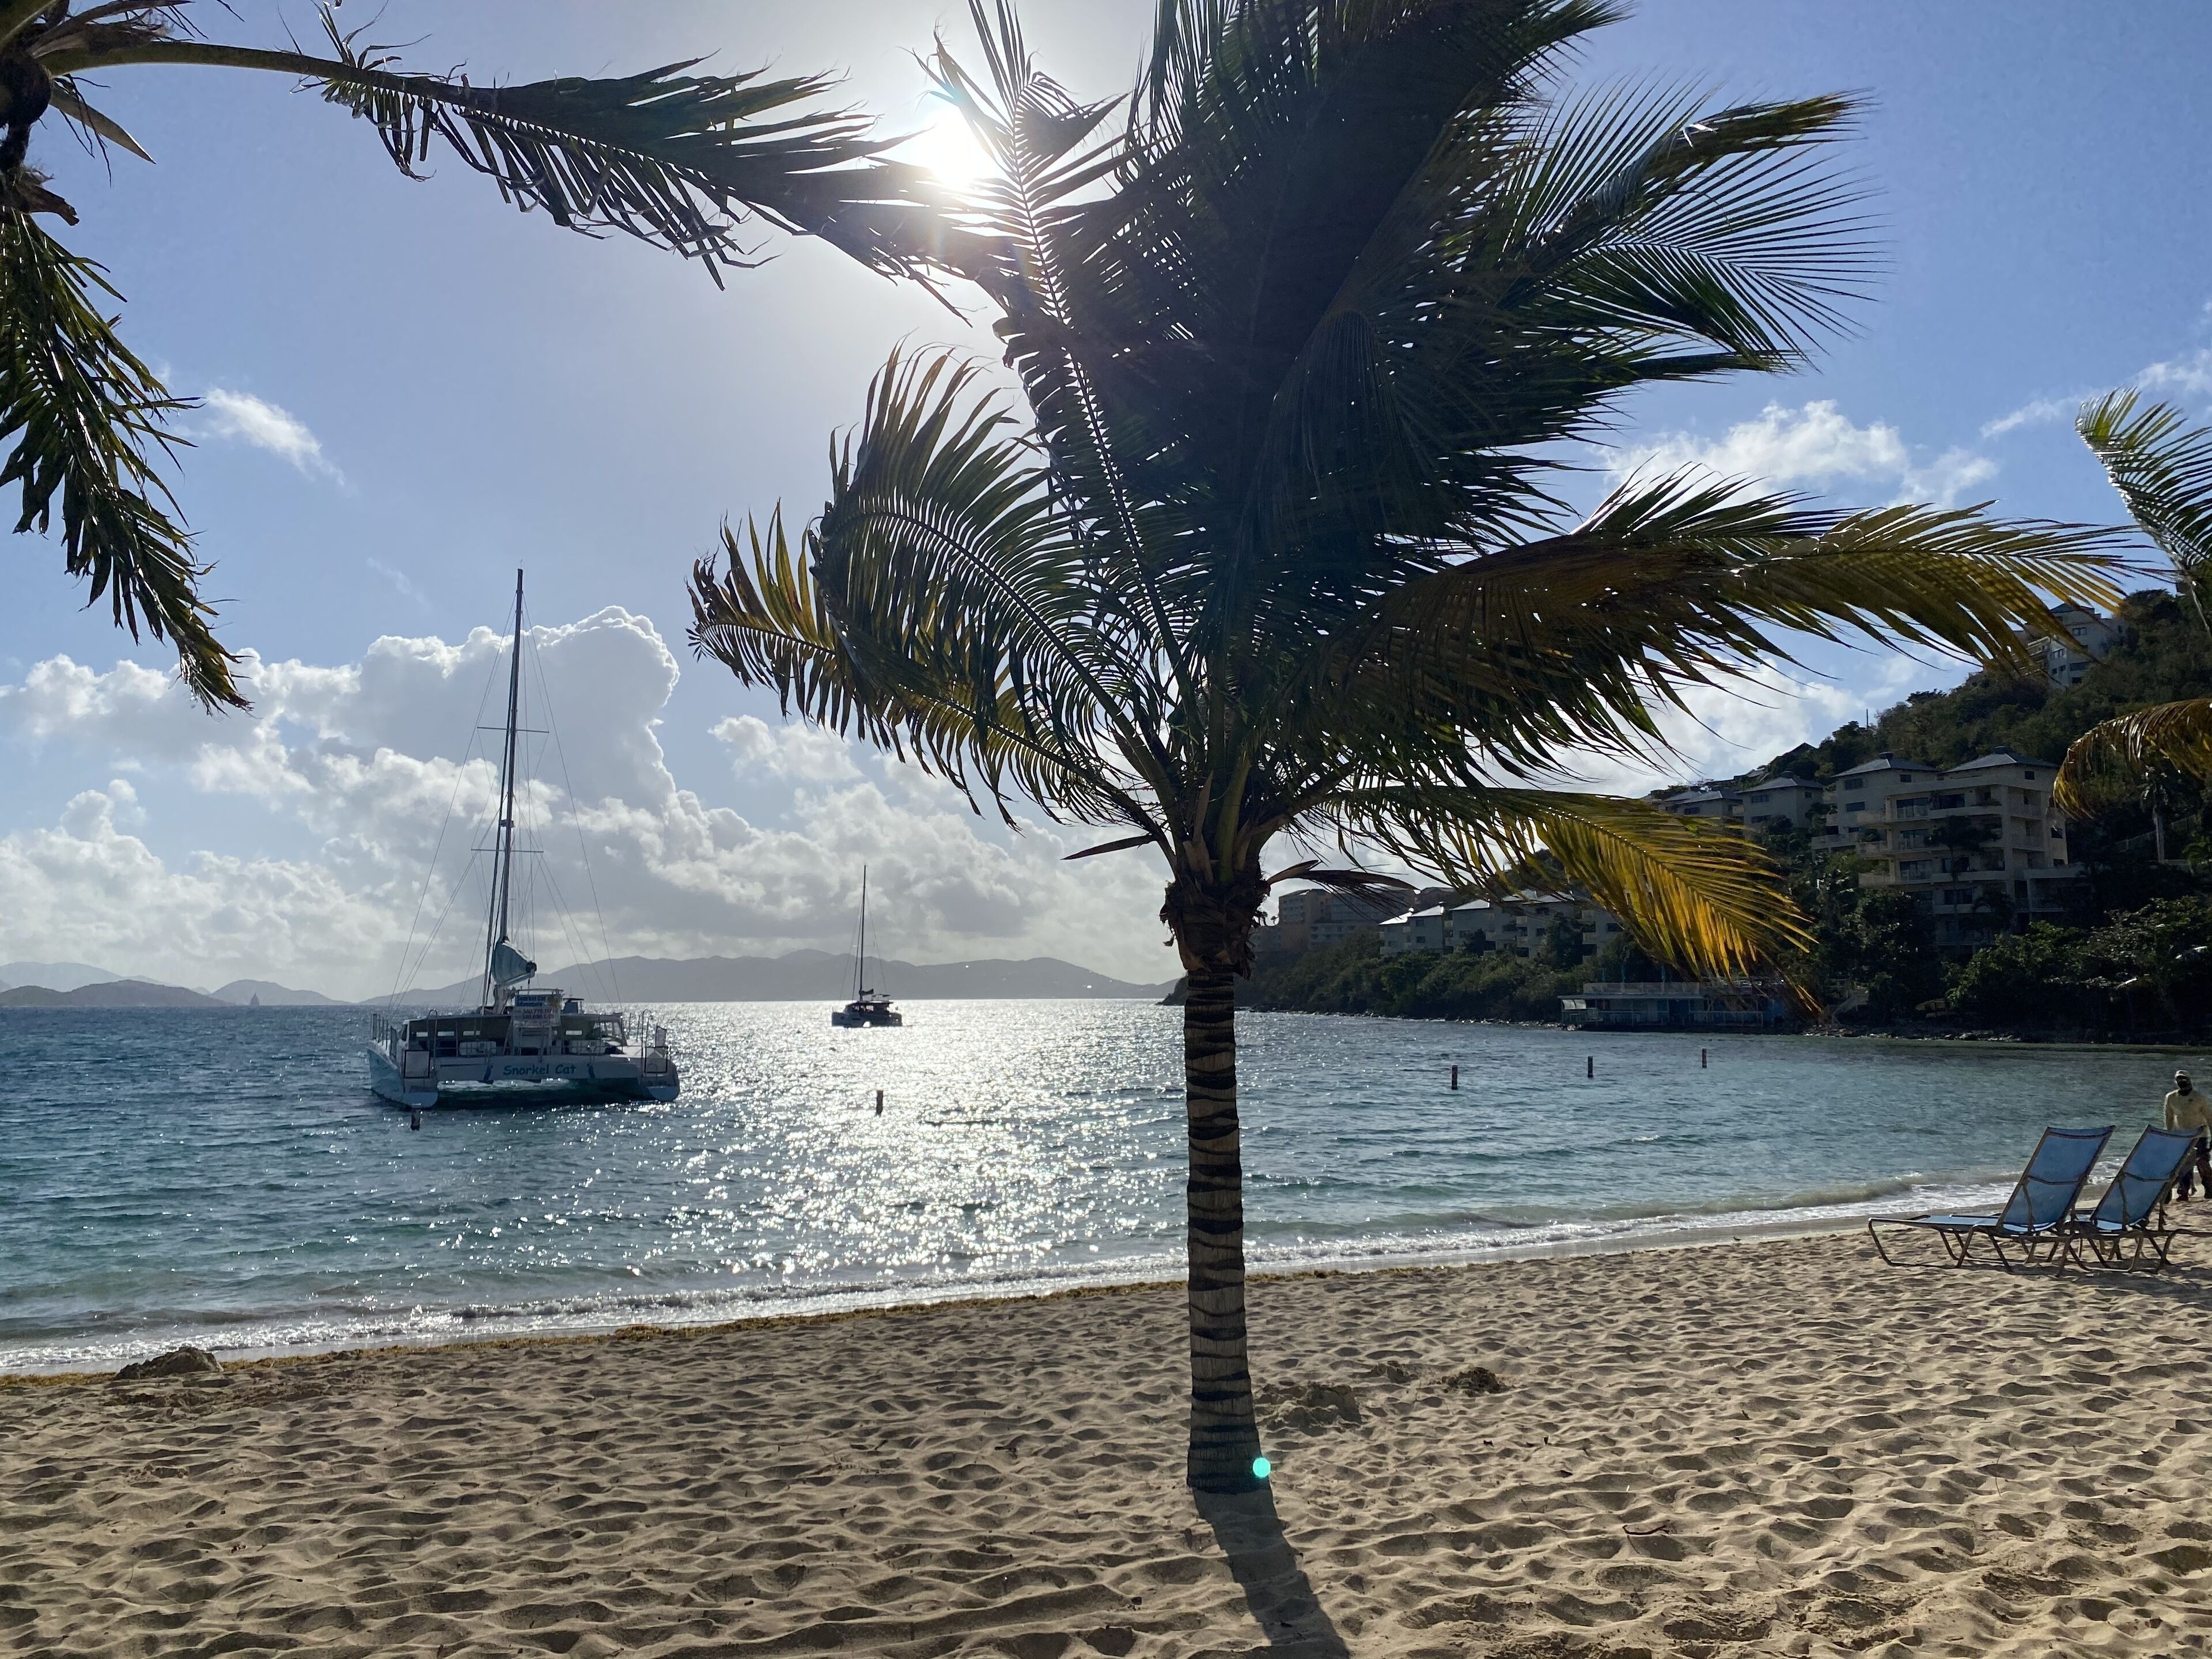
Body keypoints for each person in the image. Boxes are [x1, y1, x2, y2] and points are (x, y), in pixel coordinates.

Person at [2164, 1070, 2212, 1200]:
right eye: (2179, 1080)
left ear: (2190, 1080)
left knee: (2202, 1163)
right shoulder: (2171, 1098)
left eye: (2184, 1079)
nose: (2182, 1082)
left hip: (2200, 1136)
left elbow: (2209, 1118)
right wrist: (2170, 1135)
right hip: (2181, 1137)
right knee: (2183, 1166)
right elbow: (2169, 1117)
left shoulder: (2199, 1098)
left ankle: (2210, 1189)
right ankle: (2183, 1193)